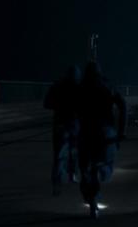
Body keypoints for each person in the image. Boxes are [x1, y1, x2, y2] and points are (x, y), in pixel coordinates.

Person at [77, 62, 127, 218]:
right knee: (106, 165)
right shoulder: (107, 86)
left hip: (86, 132)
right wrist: (121, 132)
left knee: (85, 169)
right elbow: (123, 105)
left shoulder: (80, 89)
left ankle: (92, 199)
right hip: (106, 132)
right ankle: (98, 179)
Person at [43, 65, 82, 196]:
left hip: (61, 124)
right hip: (74, 124)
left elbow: (47, 103)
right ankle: (71, 175)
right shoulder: (79, 86)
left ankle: (58, 183)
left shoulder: (58, 86)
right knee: (74, 152)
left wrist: (60, 106)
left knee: (60, 156)